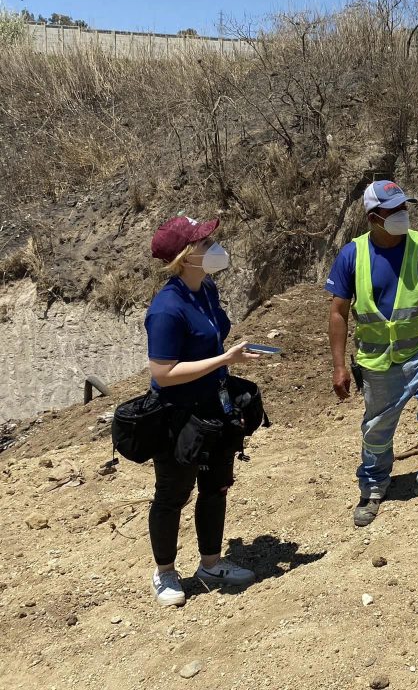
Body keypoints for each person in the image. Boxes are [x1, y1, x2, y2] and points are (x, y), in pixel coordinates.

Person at [145, 215, 262, 607]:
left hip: (215, 405)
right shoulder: (166, 309)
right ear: (185, 256)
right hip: (178, 415)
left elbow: (212, 339)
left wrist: (228, 360)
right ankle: (164, 573)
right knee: (173, 493)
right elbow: (163, 373)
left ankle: (211, 564)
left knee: (216, 486)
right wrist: (223, 360)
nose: (213, 246)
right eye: (203, 242)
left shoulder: (206, 289)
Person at [326, 180, 418, 529]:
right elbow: (338, 312)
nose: (402, 214)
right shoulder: (352, 255)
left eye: (403, 207)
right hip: (377, 362)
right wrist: (338, 366)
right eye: (393, 210)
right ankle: (372, 486)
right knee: (377, 429)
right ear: (373, 217)